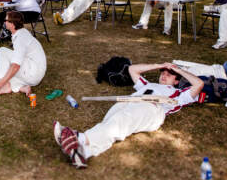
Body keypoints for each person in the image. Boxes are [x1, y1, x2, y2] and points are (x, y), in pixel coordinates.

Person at [53, 62, 204, 169]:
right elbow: (132, 69)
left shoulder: (178, 94)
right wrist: (159, 65)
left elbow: (198, 84)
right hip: (131, 100)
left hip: (152, 109)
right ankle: (84, 152)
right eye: (163, 73)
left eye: (169, 75)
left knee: (120, 121)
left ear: (176, 81)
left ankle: (79, 137)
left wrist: (178, 69)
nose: (164, 75)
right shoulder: (147, 85)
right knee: (111, 121)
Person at [0, 11, 47, 96]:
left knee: (2, 51)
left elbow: (16, 66)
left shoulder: (20, 38)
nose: (4, 22)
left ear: (12, 24)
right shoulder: (21, 32)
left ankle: (5, 85)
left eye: (6, 20)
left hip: (33, 72)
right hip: (33, 71)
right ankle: (20, 87)